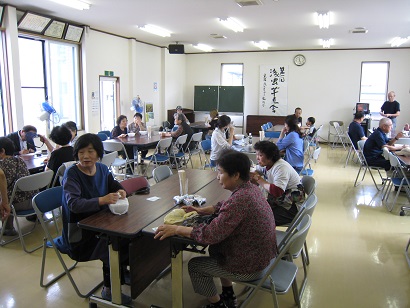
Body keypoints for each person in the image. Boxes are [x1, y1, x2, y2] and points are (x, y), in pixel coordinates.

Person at [154, 150, 277, 308]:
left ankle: (217, 305)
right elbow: (229, 205)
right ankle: (228, 292)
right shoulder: (250, 189)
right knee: (216, 248)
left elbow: (209, 234)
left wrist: (177, 229)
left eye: (220, 172)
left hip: (251, 266)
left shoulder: (241, 200)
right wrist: (207, 209)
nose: (217, 176)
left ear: (236, 175)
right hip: (262, 256)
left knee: (195, 266)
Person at [60, 133, 131, 304]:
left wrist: (120, 189)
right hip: (79, 233)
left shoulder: (101, 168)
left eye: (91, 151)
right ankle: (109, 289)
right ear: (76, 154)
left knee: (130, 236)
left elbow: (112, 183)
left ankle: (120, 270)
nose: (86, 156)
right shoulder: (72, 175)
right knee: (113, 244)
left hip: (100, 223)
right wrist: (102, 200)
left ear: (98, 153)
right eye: (81, 152)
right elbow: (74, 204)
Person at [252, 141, 305, 226]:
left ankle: (265, 237)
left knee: (257, 218)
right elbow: (255, 170)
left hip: (291, 207)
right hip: (283, 200)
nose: (257, 158)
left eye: (260, 155)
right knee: (255, 209)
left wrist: (258, 179)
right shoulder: (269, 164)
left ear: (270, 157)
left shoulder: (281, 167)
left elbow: (277, 191)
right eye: (256, 154)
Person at [0, 137, 38, 235]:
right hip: (34, 200)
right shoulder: (20, 161)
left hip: (16, 205)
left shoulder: (2, 166)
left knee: (5, 196)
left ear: (2, 151)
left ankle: (8, 229)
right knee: (11, 192)